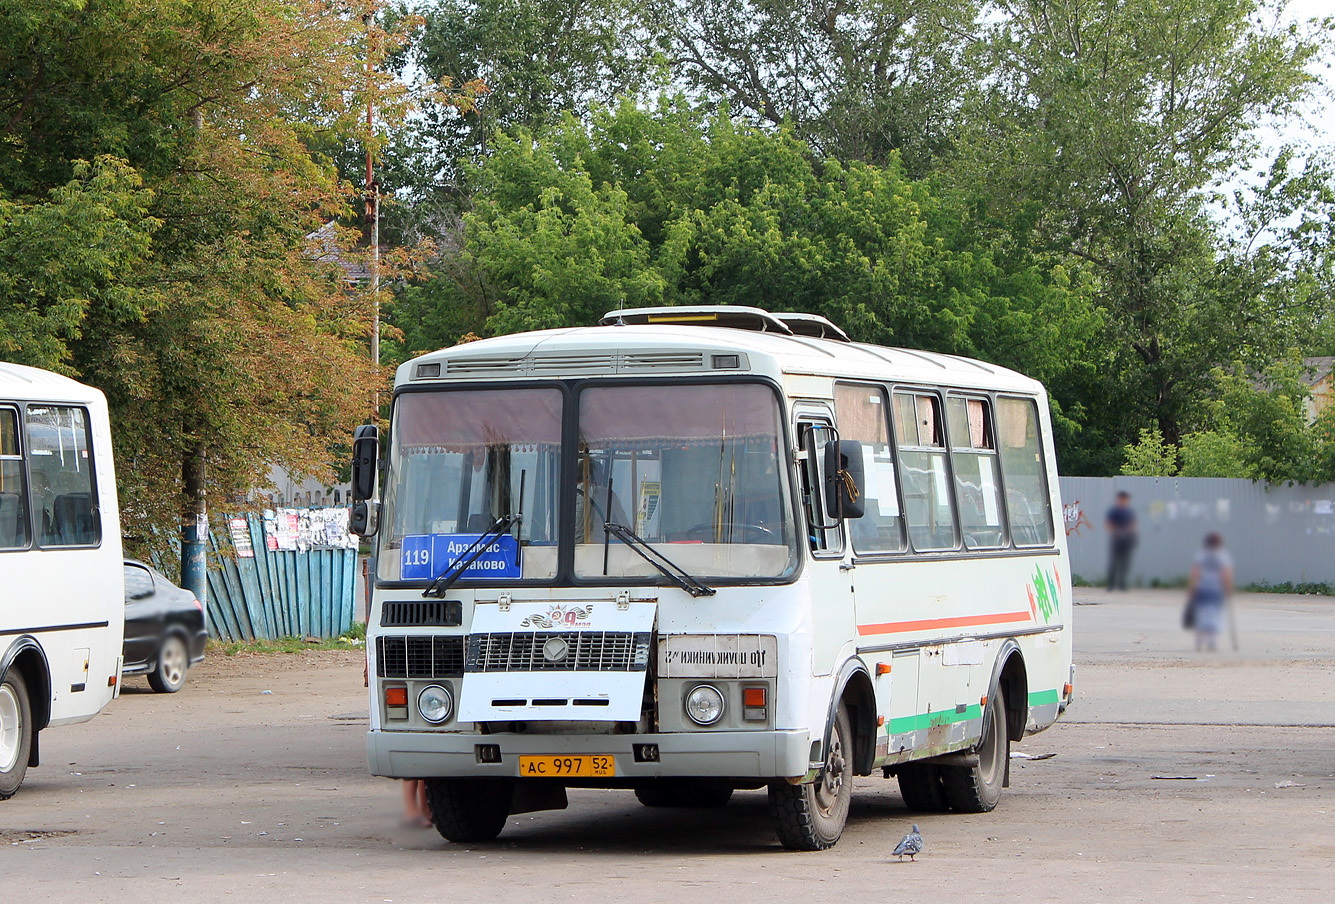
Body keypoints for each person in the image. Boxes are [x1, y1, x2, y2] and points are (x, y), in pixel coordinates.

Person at [1187, 532, 1234, 652]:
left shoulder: (1202, 554)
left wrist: (1191, 588)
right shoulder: (1222, 555)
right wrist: (1228, 589)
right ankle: (1211, 642)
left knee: (1201, 613)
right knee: (1214, 614)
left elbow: (1195, 572)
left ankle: (1198, 641)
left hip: (1202, 587)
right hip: (1216, 589)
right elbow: (1226, 574)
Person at [1105, 490, 1137, 591]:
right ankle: (1111, 584)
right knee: (1114, 562)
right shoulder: (1114, 511)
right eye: (1122, 499)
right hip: (1116, 538)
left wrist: (1128, 532)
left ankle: (1122, 584)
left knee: (1125, 562)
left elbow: (1133, 524)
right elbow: (1109, 524)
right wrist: (1117, 532)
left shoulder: (1128, 512)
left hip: (1126, 538)